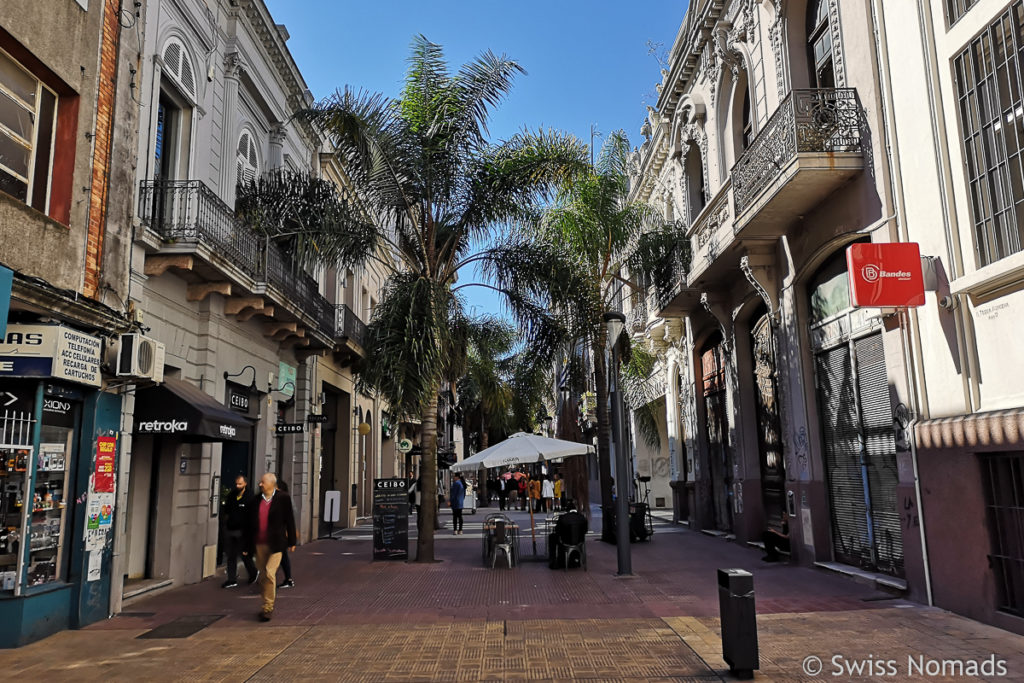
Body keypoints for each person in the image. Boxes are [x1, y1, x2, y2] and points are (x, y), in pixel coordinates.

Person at [243, 473, 296, 622]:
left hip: (277, 544)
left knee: (269, 573)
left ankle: (268, 607)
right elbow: (249, 525)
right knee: (263, 576)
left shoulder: (283, 498)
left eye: (263, 482)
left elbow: (289, 519)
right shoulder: (255, 501)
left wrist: (292, 541)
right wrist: (247, 545)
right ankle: (266, 600)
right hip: (260, 544)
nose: (260, 484)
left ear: (272, 484)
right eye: (260, 482)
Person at [221, 475, 257, 588]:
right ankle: (231, 580)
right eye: (236, 484)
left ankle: (253, 572)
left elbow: (253, 516)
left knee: (244, 554)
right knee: (231, 555)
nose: (237, 486)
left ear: (245, 483)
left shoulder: (250, 497)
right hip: (231, 529)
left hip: (243, 531)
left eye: (240, 484)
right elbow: (226, 510)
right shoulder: (232, 495)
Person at [276, 479, 295, 589]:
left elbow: (289, 520)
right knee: (282, 558)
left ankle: (288, 579)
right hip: (278, 535)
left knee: (282, 558)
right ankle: (288, 579)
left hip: (280, 535)